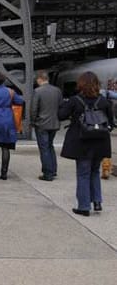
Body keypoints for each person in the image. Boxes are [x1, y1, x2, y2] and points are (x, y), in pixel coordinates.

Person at [59, 71, 113, 216]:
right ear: (97, 84)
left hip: (82, 143)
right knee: (95, 171)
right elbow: (111, 123)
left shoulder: (75, 100)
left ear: (80, 84)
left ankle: (83, 206)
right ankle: (97, 202)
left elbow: (61, 115)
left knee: (83, 174)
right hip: (101, 143)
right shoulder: (103, 101)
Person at [31, 70, 63, 181]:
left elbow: (34, 109)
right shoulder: (57, 90)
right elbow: (61, 106)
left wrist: (33, 121)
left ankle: (47, 174)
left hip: (42, 124)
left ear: (40, 79)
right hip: (54, 124)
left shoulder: (37, 91)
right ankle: (53, 170)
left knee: (44, 149)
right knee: (50, 146)